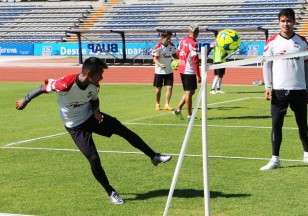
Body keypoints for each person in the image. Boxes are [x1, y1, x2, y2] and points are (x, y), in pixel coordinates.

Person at [15, 57, 172, 204]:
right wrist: (25, 99)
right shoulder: (65, 84)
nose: (102, 77)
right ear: (89, 73)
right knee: (94, 158)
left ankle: (154, 156)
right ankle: (110, 192)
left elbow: (93, 99)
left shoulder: (94, 85)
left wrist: (96, 112)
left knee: (122, 130)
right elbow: (43, 88)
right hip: (75, 126)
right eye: (100, 73)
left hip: (90, 117)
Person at [260, 8, 308, 171]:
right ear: (279, 22)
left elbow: (307, 66)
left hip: (299, 89)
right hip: (279, 90)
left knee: (302, 124)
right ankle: (275, 159)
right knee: (276, 125)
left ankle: (307, 155)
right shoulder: (271, 42)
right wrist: (268, 86)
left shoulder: (301, 41)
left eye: (288, 21)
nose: (286, 24)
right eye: (283, 21)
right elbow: (267, 65)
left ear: (294, 22)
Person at [172, 23, 201, 121]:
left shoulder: (182, 41)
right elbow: (195, 60)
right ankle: (190, 115)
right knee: (189, 92)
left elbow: (177, 54)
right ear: (196, 32)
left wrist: (178, 62)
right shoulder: (193, 43)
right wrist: (198, 75)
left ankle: (178, 109)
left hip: (182, 69)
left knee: (191, 91)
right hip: (189, 70)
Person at [152, 30, 177, 111]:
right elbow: (154, 58)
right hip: (159, 71)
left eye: (170, 38)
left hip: (169, 71)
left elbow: (174, 54)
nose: (169, 40)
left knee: (170, 87)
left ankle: (167, 104)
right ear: (163, 37)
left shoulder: (172, 46)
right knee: (158, 88)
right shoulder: (158, 47)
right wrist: (160, 64)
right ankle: (157, 104)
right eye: (168, 38)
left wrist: (177, 61)